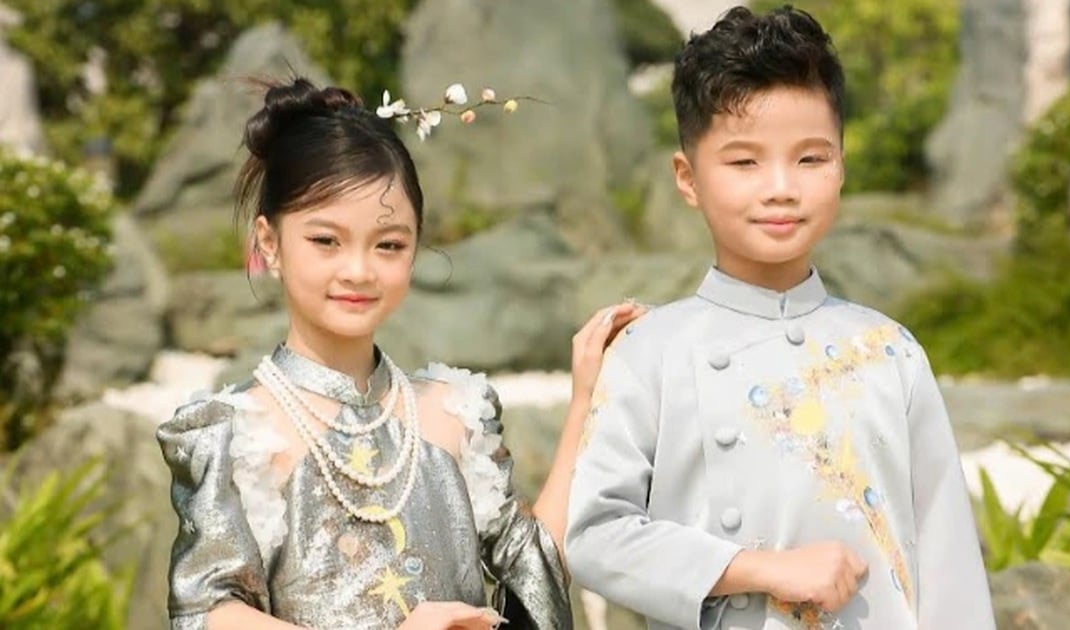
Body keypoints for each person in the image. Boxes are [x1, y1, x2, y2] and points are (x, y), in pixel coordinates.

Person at [565, 6, 995, 630]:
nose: (780, 188)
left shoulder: (889, 350)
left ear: (842, 166)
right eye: (744, 163)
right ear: (688, 178)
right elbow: (596, 538)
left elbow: (948, 560)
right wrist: (758, 568)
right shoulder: (649, 352)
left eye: (810, 159)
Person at [158, 77, 640, 629]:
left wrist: (587, 400)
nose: (359, 270)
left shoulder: (453, 412)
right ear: (269, 243)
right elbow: (209, 613)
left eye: (388, 244)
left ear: (415, 247)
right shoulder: (237, 432)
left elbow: (536, 567)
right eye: (326, 241)